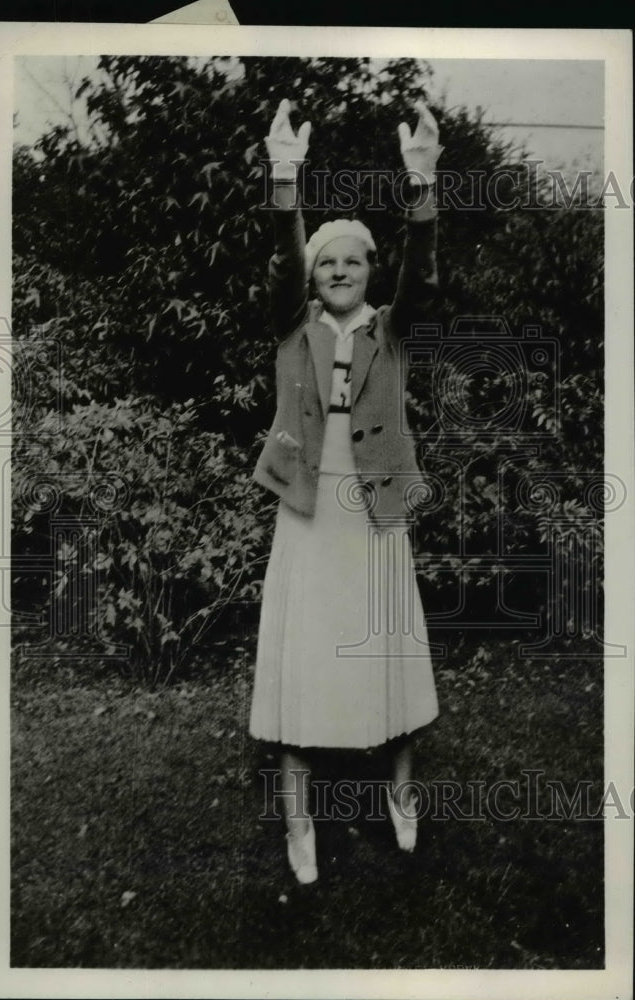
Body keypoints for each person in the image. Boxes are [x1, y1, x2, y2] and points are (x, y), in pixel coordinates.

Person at [250, 96, 442, 884]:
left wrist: (421, 186)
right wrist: (286, 178)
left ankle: (401, 794)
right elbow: (276, 258)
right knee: (300, 660)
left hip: (374, 510)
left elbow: (421, 269)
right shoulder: (292, 325)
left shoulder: (391, 330)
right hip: (306, 509)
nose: (336, 270)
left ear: (369, 272)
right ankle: (299, 818)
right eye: (325, 261)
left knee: (386, 653)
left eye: (351, 261)